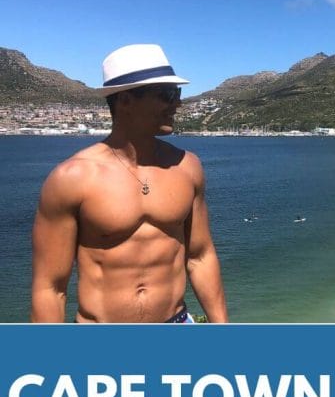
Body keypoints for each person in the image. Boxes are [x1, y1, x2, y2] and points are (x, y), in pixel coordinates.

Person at [31, 44, 229, 324]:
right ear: (125, 100)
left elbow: (200, 256)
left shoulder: (187, 167)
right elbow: (50, 289)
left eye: (178, 93)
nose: (178, 104)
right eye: (167, 95)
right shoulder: (72, 179)